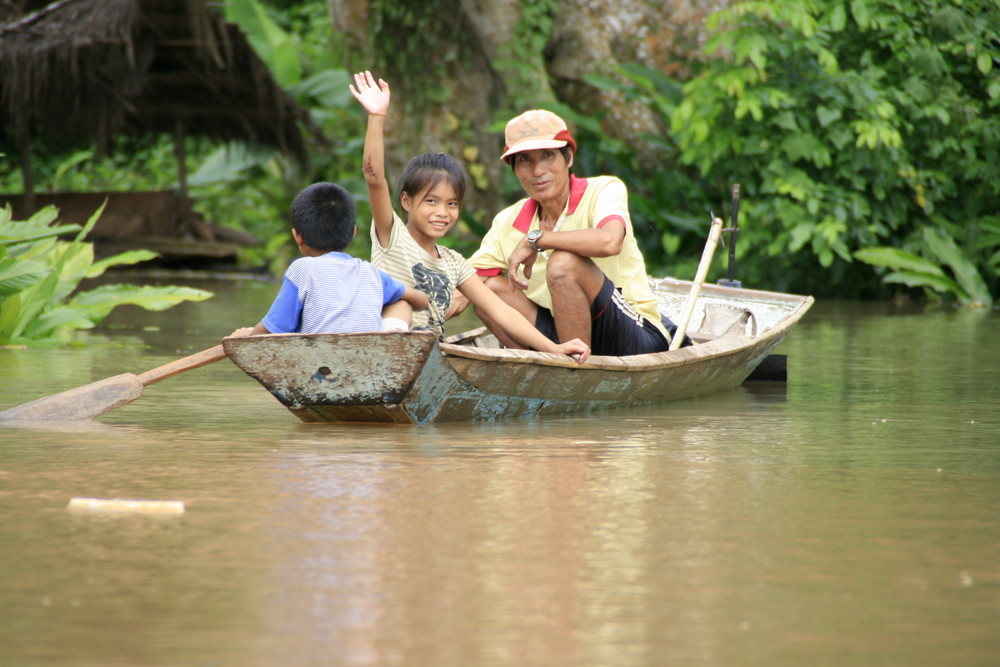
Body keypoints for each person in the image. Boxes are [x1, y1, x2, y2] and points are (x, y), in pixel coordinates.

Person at [348, 71, 590, 362]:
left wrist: (554, 348)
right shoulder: (391, 236)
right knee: (399, 305)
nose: (442, 212)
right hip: (386, 351)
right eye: (431, 201)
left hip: (423, 361)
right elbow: (375, 178)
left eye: (452, 203)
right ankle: (387, 350)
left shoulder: (454, 263)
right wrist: (377, 116)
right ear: (406, 201)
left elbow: (501, 311)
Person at [468, 109, 676, 356]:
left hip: (633, 335)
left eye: (548, 156)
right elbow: (464, 282)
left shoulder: (603, 190)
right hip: (559, 337)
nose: (537, 170)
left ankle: (573, 373)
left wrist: (537, 240)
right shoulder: (507, 221)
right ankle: (536, 368)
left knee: (563, 263)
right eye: (525, 159)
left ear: (568, 158)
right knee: (487, 290)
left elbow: (610, 241)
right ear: (514, 168)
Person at [230, 181, 429, 337]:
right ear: (353, 233)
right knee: (401, 302)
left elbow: (273, 328)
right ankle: (390, 340)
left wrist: (246, 337)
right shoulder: (371, 272)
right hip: (369, 356)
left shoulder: (301, 269)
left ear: (297, 235)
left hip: (320, 362)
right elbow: (422, 300)